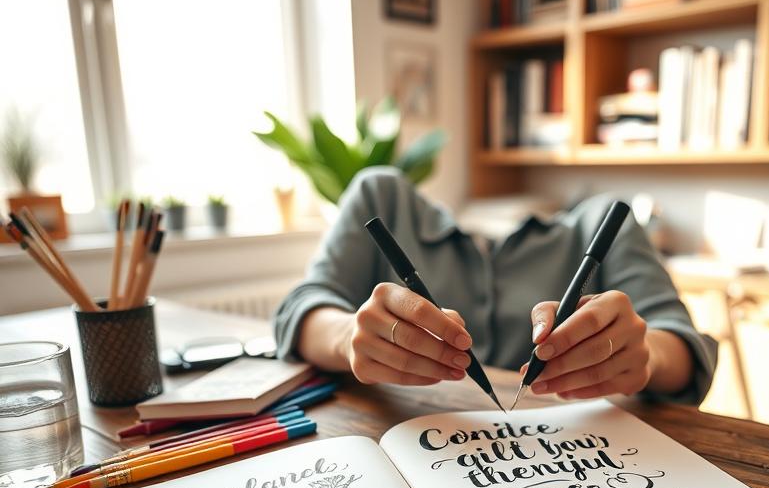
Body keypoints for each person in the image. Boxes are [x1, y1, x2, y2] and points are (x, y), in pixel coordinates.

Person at [275, 167, 717, 405]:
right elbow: (303, 306)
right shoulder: (382, 199)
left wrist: (644, 356)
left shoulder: (601, 224)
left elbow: (681, 344)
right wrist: (348, 337)